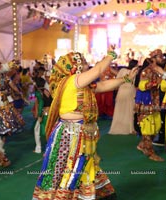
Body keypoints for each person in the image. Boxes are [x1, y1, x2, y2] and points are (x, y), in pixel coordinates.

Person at [32, 48, 138, 200]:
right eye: (82, 60)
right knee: (70, 168)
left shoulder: (83, 84)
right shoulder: (73, 80)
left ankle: (84, 195)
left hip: (81, 134)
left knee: (80, 167)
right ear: (76, 66)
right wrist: (111, 55)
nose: (86, 62)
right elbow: (99, 70)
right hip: (71, 134)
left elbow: (103, 86)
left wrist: (126, 79)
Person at [135, 50, 165, 162]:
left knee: (156, 126)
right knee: (148, 128)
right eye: (160, 56)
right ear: (153, 58)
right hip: (146, 103)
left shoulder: (159, 70)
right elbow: (141, 85)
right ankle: (150, 153)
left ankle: (142, 145)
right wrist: (156, 83)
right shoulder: (146, 71)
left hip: (155, 103)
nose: (162, 58)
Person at [109, 59, 138, 135]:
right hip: (130, 91)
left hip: (121, 91)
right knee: (130, 110)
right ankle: (129, 129)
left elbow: (117, 80)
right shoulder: (135, 72)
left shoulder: (122, 70)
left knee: (120, 109)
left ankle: (118, 127)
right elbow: (136, 83)